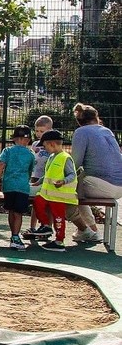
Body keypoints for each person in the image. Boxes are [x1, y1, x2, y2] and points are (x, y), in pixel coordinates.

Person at [67, 103, 122, 244]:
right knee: (78, 186)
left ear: (79, 121)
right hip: (119, 187)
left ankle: (86, 230)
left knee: (64, 190)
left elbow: (75, 164)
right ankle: (91, 229)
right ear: (96, 117)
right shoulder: (107, 131)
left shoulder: (81, 132)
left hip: (103, 185)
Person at [30, 129, 78, 252]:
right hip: (47, 194)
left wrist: (64, 181)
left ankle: (59, 241)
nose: (44, 149)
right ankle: (46, 225)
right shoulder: (52, 156)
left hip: (59, 195)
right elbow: (48, 174)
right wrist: (38, 182)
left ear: (51, 144)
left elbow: (72, 175)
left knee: (58, 218)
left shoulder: (65, 157)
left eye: (45, 146)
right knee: (37, 202)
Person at [0, 125, 36, 251]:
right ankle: (15, 237)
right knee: (18, 212)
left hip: (9, 186)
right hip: (22, 187)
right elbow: (30, 171)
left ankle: (13, 235)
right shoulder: (30, 154)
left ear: (14, 138)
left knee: (11, 211)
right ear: (28, 140)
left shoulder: (7, 151)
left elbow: (1, 165)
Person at [26, 115, 54, 237]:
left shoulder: (52, 145)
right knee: (35, 203)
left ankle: (47, 227)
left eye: (42, 131)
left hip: (47, 178)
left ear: (49, 130)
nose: (38, 134)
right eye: (37, 131)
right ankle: (32, 227)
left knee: (48, 204)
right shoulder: (35, 144)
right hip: (35, 176)